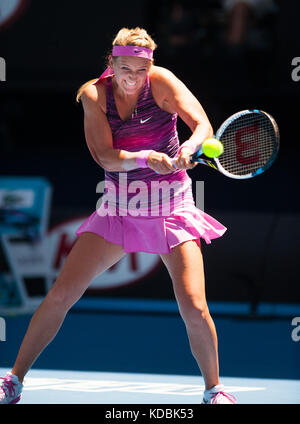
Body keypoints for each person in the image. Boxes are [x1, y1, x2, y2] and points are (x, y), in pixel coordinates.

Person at [0, 27, 236, 404]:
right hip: (119, 211)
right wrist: (148, 158)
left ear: (150, 66)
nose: (132, 78)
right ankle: (13, 380)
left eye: (140, 70)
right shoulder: (94, 94)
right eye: (124, 68)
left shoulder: (163, 83)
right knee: (62, 294)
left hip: (171, 209)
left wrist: (192, 145)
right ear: (111, 64)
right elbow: (104, 156)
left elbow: (202, 124)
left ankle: (215, 389)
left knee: (194, 305)